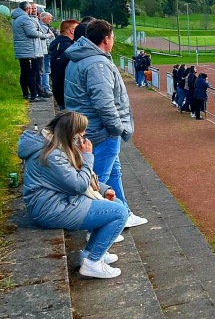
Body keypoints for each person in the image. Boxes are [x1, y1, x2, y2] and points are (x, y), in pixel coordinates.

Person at [18, 111, 128, 278]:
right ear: (70, 133)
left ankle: (91, 253)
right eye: (81, 132)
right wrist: (87, 156)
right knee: (119, 213)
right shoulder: (52, 155)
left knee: (117, 205)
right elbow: (78, 185)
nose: (83, 136)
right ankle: (92, 263)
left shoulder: (55, 145)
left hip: (59, 201)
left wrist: (104, 189)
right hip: (51, 209)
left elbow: (76, 177)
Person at [64, 19, 147, 229]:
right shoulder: (97, 64)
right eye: (113, 37)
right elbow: (104, 103)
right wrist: (116, 129)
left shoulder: (80, 59)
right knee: (98, 179)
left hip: (89, 128)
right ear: (106, 39)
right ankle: (99, 229)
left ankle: (123, 213)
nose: (113, 41)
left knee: (114, 173)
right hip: (100, 132)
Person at [11, 1, 51, 102]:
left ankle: (25, 93)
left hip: (22, 49)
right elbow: (31, 32)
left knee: (24, 72)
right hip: (29, 50)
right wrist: (45, 35)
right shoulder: (25, 18)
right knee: (32, 72)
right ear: (27, 9)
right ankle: (34, 95)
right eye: (30, 8)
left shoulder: (16, 19)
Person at [49, 19, 79, 110]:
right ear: (72, 30)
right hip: (65, 91)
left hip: (58, 89)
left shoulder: (57, 44)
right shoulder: (68, 48)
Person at [39, 12, 55, 96]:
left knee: (45, 69)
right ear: (44, 18)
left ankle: (45, 87)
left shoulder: (44, 27)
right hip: (46, 52)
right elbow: (47, 40)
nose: (50, 20)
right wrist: (50, 49)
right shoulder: (43, 28)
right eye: (49, 18)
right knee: (46, 69)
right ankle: (46, 88)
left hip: (46, 51)